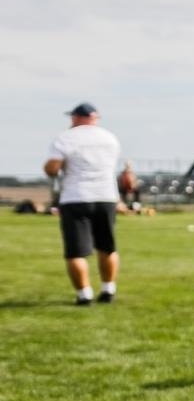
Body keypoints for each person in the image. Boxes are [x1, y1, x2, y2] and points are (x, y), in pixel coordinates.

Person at [45, 103, 123, 305]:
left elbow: (53, 168)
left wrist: (51, 168)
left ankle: (84, 293)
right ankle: (108, 288)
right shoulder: (110, 138)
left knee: (76, 251)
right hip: (106, 196)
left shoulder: (65, 138)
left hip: (76, 196)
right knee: (107, 246)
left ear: (75, 118)